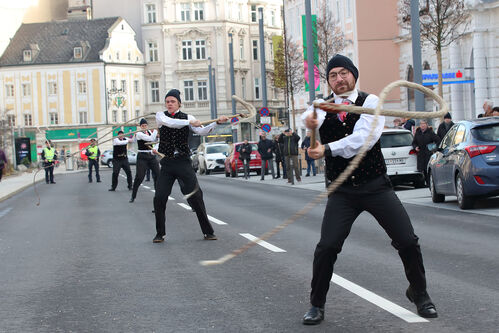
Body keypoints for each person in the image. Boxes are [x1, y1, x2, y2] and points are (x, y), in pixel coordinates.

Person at [301, 54, 437, 325]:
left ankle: (420, 294)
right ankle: (317, 304)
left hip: (375, 186)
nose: (339, 79)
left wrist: (326, 148)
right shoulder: (321, 105)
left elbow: (363, 139)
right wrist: (311, 123)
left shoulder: (370, 102)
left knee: (407, 240)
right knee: (327, 247)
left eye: (343, 73)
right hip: (342, 192)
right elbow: (307, 118)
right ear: (328, 81)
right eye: (333, 76)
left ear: (353, 74)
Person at [152, 89, 229, 243]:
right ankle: (160, 233)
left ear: (179, 103)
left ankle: (208, 231)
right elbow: (170, 123)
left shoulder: (188, 117)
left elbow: (202, 131)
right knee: (159, 197)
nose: (169, 104)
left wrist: (216, 123)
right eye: (167, 101)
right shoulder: (161, 116)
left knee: (196, 197)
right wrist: (189, 122)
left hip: (183, 162)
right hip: (167, 163)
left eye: (173, 101)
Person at [130, 118, 160, 203]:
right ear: (140, 126)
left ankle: (157, 196)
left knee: (158, 175)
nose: (144, 127)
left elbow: (156, 141)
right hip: (142, 156)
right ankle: (133, 195)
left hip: (151, 155)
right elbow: (150, 139)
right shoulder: (139, 134)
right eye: (142, 126)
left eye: (145, 125)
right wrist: (156, 130)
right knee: (140, 177)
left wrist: (154, 149)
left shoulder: (150, 132)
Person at [412, 119, 441, 185]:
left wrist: (434, 148)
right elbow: (414, 143)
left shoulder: (430, 132)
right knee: (423, 170)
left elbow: (438, 141)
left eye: (424, 124)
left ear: (426, 125)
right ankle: (427, 183)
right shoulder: (418, 133)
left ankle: (430, 183)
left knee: (428, 169)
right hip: (421, 154)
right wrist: (415, 147)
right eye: (421, 124)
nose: (422, 125)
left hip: (428, 154)